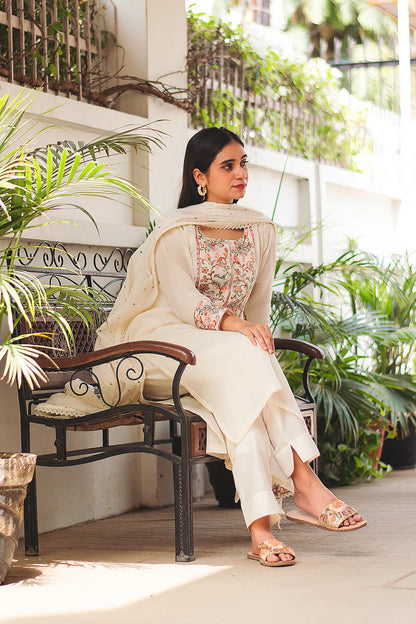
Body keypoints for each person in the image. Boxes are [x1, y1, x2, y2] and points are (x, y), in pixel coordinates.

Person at [93, 127, 366, 567]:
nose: (241, 174)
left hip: (224, 350)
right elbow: (183, 302)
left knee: (243, 399)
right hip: (163, 342)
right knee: (246, 355)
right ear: (199, 176)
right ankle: (304, 480)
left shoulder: (259, 230)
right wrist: (239, 328)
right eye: (228, 166)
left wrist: (251, 333)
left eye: (243, 164)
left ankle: (261, 531)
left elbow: (258, 306)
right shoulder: (176, 231)